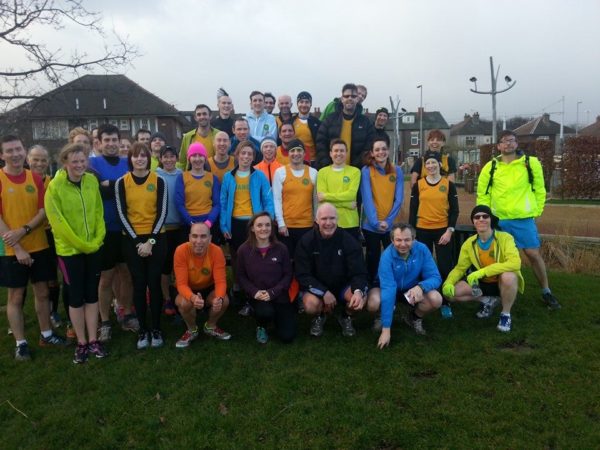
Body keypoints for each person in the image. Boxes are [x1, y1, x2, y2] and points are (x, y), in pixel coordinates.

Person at [477, 130, 560, 310]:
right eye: (505, 141)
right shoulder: (490, 167)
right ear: (498, 146)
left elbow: (540, 189)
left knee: (533, 254)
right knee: (499, 259)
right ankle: (496, 295)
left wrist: (537, 210)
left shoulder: (531, 163)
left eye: (512, 141)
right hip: (500, 221)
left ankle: (546, 291)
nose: (509, 144)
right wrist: (485, 217)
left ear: (516, 144)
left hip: (523, 219)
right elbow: (483, 195)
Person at [1, 134, 66, 361]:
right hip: (10, 249)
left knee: (42, 291)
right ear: (2, 155)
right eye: (9, 150)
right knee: (16, 296)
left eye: (18, 149)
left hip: (38, 244)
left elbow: (43, 210)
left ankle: (46, 334)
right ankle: (21, 343)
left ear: (23, 150)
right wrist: (17, 246)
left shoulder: (35, 179)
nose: (15, 154)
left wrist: (25, 230)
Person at [45, 143, 107, 363]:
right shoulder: (55, 187)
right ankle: (81, 342)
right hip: (70, 251)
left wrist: (98, 240)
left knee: (92, 295)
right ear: (65, 162)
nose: (80, 165)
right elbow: (58, 223)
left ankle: (93, 339)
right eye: (75, 162)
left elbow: (99, 212)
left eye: (83, 161)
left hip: (94, 248)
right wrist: (82, 245)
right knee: (76, 297)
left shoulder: (91, 181)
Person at [115, 142, 167, 349]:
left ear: (148, 158)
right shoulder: (122, 182)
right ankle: (142, 330)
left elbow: (162, 212)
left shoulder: (159, 180)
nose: (139, 159)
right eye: (135, 156)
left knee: (154, 283)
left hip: (156, 239)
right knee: (139, 283)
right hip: (131, 240)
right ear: (130, 159)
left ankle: (156, 328)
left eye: (143, 156)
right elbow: (121, 214)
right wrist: (138, 242)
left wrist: (150, 241)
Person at [89, 124, 137, 341]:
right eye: (106, 140)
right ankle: (105, 320)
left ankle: (127, 313)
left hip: (126, 228)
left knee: (126, 273)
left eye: (114, 140)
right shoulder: (92, 164)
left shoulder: (127, 163)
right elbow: (97, 189)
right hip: (104, 229)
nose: (110, 144)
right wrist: (116, 186)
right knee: (106, 277)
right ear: (99, 142)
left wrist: (110, 185)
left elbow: (132, 189)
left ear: (120, 141)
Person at [442, 205, 523, 332]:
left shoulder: (505, 238)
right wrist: (448, 283)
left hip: (502, 282)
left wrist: (483, 271)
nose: (481, 219)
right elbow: (460, 268)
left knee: (509, 276)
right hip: (482, 283)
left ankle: (505, 314)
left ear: (491, 219)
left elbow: (515, 263)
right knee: (450, 295)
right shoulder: (469, 243)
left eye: (485, 216)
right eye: (477, 217)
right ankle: (488, 300)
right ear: (473, 222)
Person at [295, 203, 368, 337]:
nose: (328, 223)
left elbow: (359, 271)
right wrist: (323, 292)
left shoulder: (348, 240)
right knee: (310, 305)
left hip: (342, 286)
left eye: (332, 218)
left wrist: (358, 291)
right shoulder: (306, 241)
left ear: (337, 219)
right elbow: (302, 275)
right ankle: (320, 315)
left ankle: (346, 316)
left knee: (360, 299)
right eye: (324, 219)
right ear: (316, 220)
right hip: (318, 287)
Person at [220, 140, 274, 315]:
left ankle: (254, 297)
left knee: (255, 259)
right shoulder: (229, 176)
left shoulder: (259, 176)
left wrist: (269, 220)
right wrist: (223, 224)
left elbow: (268, 200)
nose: (246, 156)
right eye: (243, 153)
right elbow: (222, 202)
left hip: (253, 223)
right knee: (237, 259)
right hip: (234, 223)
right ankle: (238, 291)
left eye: (249, 154)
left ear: (253, 157)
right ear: (237, 155)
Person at [369, 224, 442, 349]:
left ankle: (413, 317)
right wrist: (386, 330)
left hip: (410, 288)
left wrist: (421, 287)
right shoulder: (387, 256)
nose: (403, 244)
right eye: (398, 240)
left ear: (414, 239)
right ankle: (381, 316)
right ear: (392, 240)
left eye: (407, 240)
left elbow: (435, 277)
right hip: (386, 287)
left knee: (436, 299)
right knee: (373, 303)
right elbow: (388, 289)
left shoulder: (422, 249)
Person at [409, 151, 459, 318]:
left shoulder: (448, 184)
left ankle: (445, 301)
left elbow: (454, 210)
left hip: (442, 230)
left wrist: (449, 230)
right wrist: (412, 232)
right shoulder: (418, 185)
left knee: (445, 266)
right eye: (427, 163)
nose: (430, 166)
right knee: (422, 266)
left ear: (440, 165)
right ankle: (420, 297)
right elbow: (413, 209)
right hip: (422, 230)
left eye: (433, 163)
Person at [237, 212, 296, 344]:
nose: (264, 228)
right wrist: (254, 292)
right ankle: (261, 325)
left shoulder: (281, 248)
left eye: (267, 225)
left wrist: (273, 292)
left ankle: (277, 318)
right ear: (252, 228)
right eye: (259, 225)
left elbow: (288, 274)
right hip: (258, 297)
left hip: (279, 295)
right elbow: (241, 276)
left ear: (272, 227)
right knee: (265, 313)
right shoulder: (244, 250)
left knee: (287, 337)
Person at [173, 222, 231, 347]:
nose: (198, 241)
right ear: (189, 237)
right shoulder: (181, 250)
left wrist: (219, 298)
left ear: (210, 238)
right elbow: (181, 284)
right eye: (195, 236)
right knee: (185, 303)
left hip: (208, 288)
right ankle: (192, 330)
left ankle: (210, 326)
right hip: (188, 289)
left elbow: (221, 281)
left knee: (224, 300)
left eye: (203, 236)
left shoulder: (217, 251)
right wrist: (193, 297)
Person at [360, 138, 404, 290]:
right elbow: (366, 198)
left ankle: (396, 285)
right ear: (372, 153)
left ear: (388, 151)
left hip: (390, 225)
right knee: (373, 257)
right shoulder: (366, 171)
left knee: (394, 255)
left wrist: (388, 222)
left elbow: (398, 199)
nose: (381, 152)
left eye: (383, 149)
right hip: (371, 225)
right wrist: (375, 223)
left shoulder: (397, 170)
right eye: (377, 149)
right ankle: (371, 285)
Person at [27, 145, 63, 328]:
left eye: (43, 160)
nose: (39, 163)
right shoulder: (23, 181)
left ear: (48, 162)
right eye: (36, 159)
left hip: (48, 233)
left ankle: (53, 311)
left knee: (51, 277)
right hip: (25, 234)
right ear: (28, 159)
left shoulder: (52, 182)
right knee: (24, 281)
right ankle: (21, 314)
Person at [272, 139, 318, 257]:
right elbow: (276, 199)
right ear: (288, 153)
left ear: (304, 153)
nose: (296, 153)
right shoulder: (280, 172)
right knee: (288, 260)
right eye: (293, 151)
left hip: (307, 225)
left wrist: (316, 221)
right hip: (287, 226)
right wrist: (281, 223)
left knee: (305, 259)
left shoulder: (313, 173)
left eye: (299, 150)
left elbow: (316, 201)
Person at [316, 83, 374, 169]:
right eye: (346, 96)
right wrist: (326, 163)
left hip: (355, 171)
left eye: (353, 96)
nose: (350, 98)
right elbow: (320, 142)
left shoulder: (366, 122)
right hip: (332, 169)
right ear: (342, 99)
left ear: (357, 99)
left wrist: (358, 165)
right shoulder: (330, 119)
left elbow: (369, 145)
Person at [156, 145, 184, 316]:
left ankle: (181, 294)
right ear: (160, 159)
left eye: (171, 156)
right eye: (165, 157)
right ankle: (167, 298)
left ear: (176, 158)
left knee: (179, 264)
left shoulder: (182, 175)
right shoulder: (155, 176)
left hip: (180, 226)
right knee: (165, 265)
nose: (168, 160)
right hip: (163, 228)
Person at [316, 139, 361, 241]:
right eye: (336, 151)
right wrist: (346, 204)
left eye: (342, 151)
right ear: (330, 153)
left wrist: (327, 196)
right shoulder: (322, 172)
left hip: (350, 222)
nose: (339, 153)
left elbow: (350, 195)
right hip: (329, 223)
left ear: (346, 153)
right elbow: (322, 200)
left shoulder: (355, 172)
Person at [175, 142, 220, 229]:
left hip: (209, 223)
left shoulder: (213, 178)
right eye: (194, 155)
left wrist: (209, 222)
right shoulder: (181, 178)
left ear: (205, 158)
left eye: (200, 155)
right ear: (189, 158)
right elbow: (179, 204)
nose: (197, 159)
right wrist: (191, 223)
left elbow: (217, 204)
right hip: (188, 223)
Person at [292, 91, 321, 165]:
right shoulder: (291, 122)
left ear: (310, 104)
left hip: (313, 162)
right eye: (301, 102)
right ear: (297, 104)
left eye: (307, 102)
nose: (304, 105)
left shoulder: (317, 123)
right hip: (295, 160)